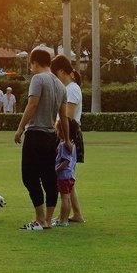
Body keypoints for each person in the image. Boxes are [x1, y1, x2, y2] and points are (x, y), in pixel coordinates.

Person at [14, 47, 67, 230]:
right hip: (51, 136)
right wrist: (66, 139)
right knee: (49, 177)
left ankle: (39, 218)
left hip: (35, 132)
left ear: (35, 63)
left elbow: (32, 104)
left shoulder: (38, 79)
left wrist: (20, 128)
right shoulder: (60, 85)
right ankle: (48, 220)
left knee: (29, 176)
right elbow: (64, 116)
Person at [52, 54, 86, 223]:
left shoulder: (71, 89)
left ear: (60, 71)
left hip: (69, 135)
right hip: (67, 134)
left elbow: (69, 117)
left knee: (65, 178)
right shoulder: (70, 88)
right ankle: (76, 214)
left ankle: (63, 216)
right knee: (69, 179)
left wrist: (64, 139)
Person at [51, 117, 78, 227]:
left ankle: (63, 219)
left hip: (63, 176)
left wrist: (56, 170)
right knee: (67, 197)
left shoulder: (63, 145)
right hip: (71, 175)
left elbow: (66, 161)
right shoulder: (72, 144)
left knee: (64, 198)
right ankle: (64, 218)